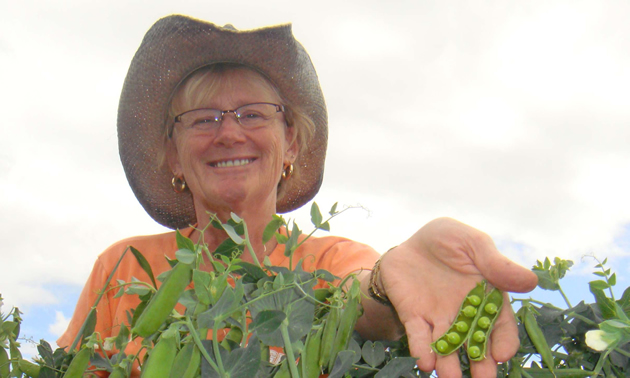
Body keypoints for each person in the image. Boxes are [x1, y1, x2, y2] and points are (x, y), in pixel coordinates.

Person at [58, 15, 538, 378]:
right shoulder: (122, 267)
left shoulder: (328, 258)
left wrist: (386, 286)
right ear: (174, 156)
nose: (228, 133)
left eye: (253, 114)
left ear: (290, 143)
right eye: (203, 118)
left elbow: (361, 292)